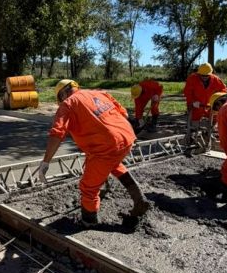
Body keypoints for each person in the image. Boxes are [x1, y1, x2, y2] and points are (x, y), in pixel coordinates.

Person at [38, 79, 151, 231]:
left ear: (62, 94)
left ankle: (88, 222)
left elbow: (57, 133)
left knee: (88, 188)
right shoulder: (99, 93)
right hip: (126, 137)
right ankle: (139, 199)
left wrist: (46, 162)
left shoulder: (68, 104)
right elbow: (123, 112)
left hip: (105, 148)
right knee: (114, 164)